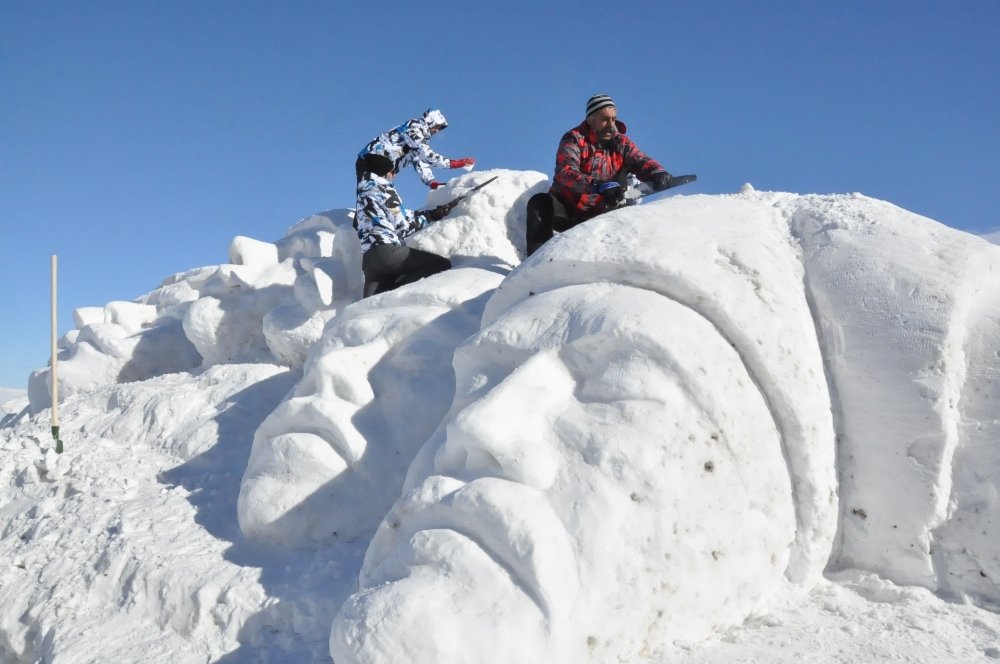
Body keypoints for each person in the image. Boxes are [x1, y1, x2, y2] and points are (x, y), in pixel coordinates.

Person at [525, 94, 676, 256]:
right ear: (591, 120)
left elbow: (639, 160)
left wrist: (656, 172)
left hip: (601, 213)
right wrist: (596, 185)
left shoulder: (621, 142)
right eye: (605, 119)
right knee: (539, 203)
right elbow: (565, 172)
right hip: (569, 211)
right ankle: (537, 258)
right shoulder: (574, 139)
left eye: (613, 119)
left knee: (626, 213)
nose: (611, 124)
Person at [354, 153, 454, 298]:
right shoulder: (384, 189)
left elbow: (394, 214)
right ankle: (398, 294)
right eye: (392, 171)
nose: (394, 175)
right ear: (383, 172)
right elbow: (403, 227)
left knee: (370, 309)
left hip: (370, 260)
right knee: (441, 265)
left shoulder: (363, 194)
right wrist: (431, 217)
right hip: (387, 252)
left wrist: (427, 213)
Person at [356, 108, 476, 189]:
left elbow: (419, 159)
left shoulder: (418, 138)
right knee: (377, 194)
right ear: (431, 121)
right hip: (371, 159)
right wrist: (455, 163)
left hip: (383, 165)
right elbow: (425, 153)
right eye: (437, 126)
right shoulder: (414, 127)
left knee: (377, 194)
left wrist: (432, 182)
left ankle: (366, 223)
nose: (437, 131)